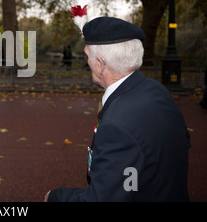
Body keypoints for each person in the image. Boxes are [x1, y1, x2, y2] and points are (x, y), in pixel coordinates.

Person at [45, 16, 190, 202]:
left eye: (87, 56)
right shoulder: (157, 91)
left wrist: (55, 197)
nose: (87, 62)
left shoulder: (117, 125)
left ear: (100, 64)